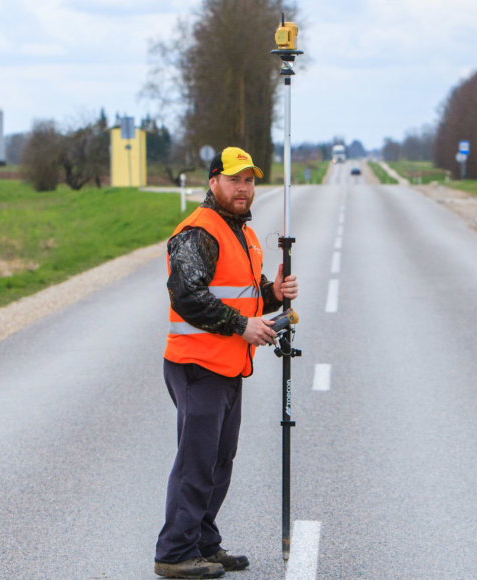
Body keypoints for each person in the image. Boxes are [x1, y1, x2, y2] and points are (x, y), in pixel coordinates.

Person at [155, 146, 299, 579]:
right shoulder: (197, 232)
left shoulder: (243, 233)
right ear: (213, 181)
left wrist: (274, 294)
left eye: (250, 180)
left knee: (219, 459)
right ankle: (175, 552)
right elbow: (188, 296)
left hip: (228, 366)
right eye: (235, 179)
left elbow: (244, 291)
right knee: (196, 461)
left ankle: (202, 542)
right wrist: (242, 326)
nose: (244, 188)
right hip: (197, 364)